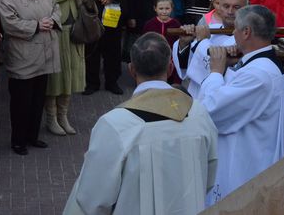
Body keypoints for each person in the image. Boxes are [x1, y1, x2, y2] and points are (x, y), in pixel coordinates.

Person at [63, 32, 218, 215]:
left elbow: (93, 198)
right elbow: (208, 176)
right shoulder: (198, 114)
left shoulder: (116, 124)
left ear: (131, 70)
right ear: (169, 69)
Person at [200, 4, 284, 205]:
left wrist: (216, 71)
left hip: (247, 166)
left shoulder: (258, 74)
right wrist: (230, 66)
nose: (233, 33)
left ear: (247, 32)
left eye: (236, 29)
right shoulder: (260, 63)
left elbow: (211, 111)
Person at [0, 0, 61, 154]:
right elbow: (9, 23)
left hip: (45, 54)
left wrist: (52, 20)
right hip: (23, 57)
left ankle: (33, 136)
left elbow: (55, 6)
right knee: (21, 103)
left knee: (38, 99)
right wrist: (36, 25)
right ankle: (18, 141)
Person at [34, 0, 87, 136]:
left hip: (75, 28)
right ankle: (51, 118)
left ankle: (64, 116)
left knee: (72, 74)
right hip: (56, 29)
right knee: (57, 76)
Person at [173, 0, 247, 97]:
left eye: (236, 7)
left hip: (222, 97)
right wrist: (184, 44)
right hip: (196, 95)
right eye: (226, 6)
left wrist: (202, 42)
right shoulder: (209, 29)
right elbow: (187, 65)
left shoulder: (248, 40)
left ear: (246, 9)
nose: (230, 11)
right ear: (218, 8)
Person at [142, 0, 181, 83]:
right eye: (161, 9)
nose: (164, 12)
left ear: (172, 8)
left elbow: (179, 45)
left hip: (171, 62)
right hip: (153, 61)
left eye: (167, 8)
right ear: (155, 8)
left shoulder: (176, 24)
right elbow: (144, 43)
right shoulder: (149, 24)